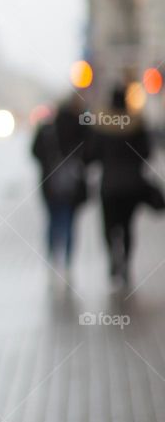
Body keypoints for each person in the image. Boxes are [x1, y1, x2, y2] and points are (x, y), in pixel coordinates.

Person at [86, 85, 152, 287]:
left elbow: (90, 155)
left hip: (109, 186)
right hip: (132, 185)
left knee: (109, 227)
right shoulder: (136, 124)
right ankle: (125, 264)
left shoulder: (103, 126)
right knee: (127, 227)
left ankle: (113, 261)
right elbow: (146, 153)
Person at [31, 96, 89, 275]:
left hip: (50, 183)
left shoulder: (47, 129)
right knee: (69, 221)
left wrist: (49, 163)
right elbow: (90, 152)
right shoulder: (80, 129)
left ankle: (52, 257)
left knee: (53, 220)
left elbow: (34, 152)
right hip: (73, 183)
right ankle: (68, 260)